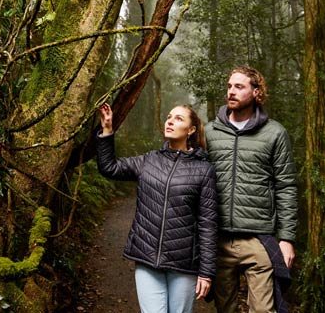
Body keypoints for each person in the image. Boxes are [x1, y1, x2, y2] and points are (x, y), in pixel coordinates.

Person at [96, 103, 218, 313]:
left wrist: (206, 272)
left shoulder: (204, 170)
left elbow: (208, 224)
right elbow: (110, 167)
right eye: (169, 117)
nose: (170, 121)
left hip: (183, 264)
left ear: (191, 130)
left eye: (179, 118)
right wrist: (107, 131)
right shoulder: (149, 160)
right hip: (147, 257)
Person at [205, 66, 298, 313]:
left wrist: (286, 238)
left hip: (258, 239)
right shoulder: (209, 132)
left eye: (239, 86)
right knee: (225, 309)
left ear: (256, 92)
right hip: (219, 239)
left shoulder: (275, 133)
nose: (231, 92)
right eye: (229, 86)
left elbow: (286, 186)